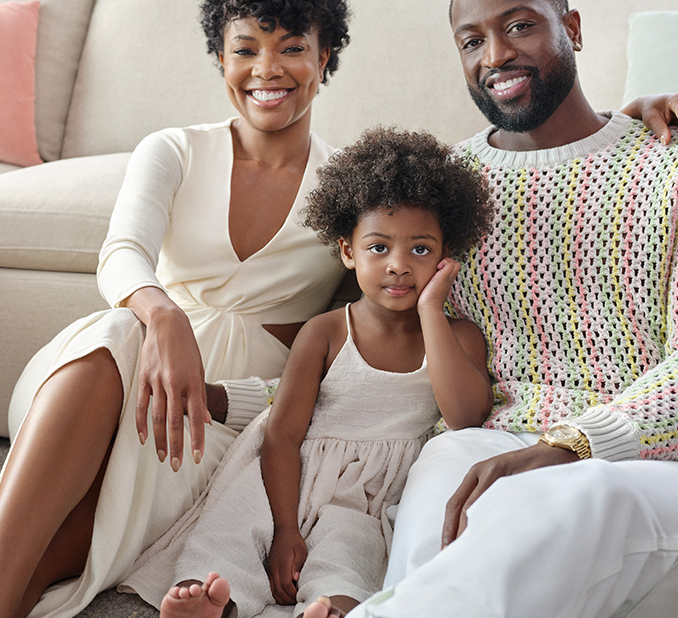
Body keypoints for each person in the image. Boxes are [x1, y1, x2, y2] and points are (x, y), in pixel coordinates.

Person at [0, 0, 678, 618]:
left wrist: (633, 110)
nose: (267, 69)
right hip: (123, 372)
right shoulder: (175, 149)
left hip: (221, 410)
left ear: (325, 60)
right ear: (219, 56)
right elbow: (121, 254)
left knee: (71, 539)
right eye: (245, 49)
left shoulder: (350, 191)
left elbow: (464, 192)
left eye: (291, 49)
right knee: (115, 334)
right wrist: (161, 316)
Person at [307, 0, 678, 618]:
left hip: (671, 468)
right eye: (472, 41)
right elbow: (376, 326)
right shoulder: (450, 189)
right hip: (495, 442)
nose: (495, 54)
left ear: (572, 29)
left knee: (583, 496)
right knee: (446, 470)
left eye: (520, 26)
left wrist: (568, 445)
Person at [129, 127, 494, 618]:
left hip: (366, 497)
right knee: (231, 529)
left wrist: (432, 311)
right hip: (287, 472)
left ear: (448, 254)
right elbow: (281, 434)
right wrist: (285, 528)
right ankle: (214, 602)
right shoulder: (326, 332)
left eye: (421, 250)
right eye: (379, 248)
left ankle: (331, 610)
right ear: (347, 251)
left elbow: (466, 416)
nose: (400, 266)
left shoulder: (459, 337)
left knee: (350, 555)